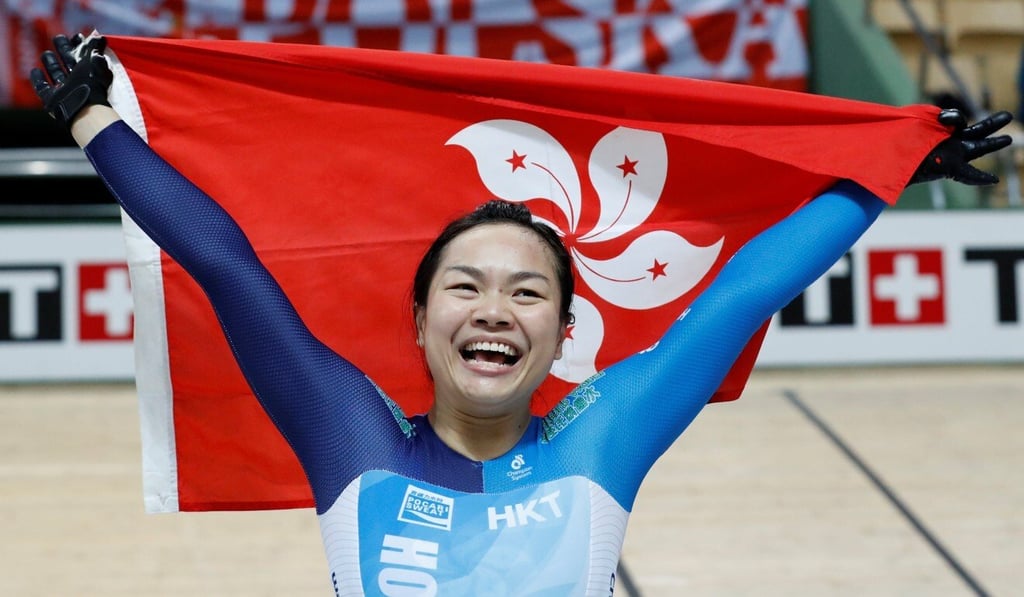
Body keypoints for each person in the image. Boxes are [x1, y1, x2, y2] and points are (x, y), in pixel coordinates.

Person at [31, 35, 1012, 595]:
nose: (494, 309)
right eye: (465, 286)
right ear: (419, 323)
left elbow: (738, 296)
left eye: (527, 290)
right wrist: (95, 125)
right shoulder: (354, 439)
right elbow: (228, 268)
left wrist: (881, 171)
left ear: (562, 332)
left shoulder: (599, 441)